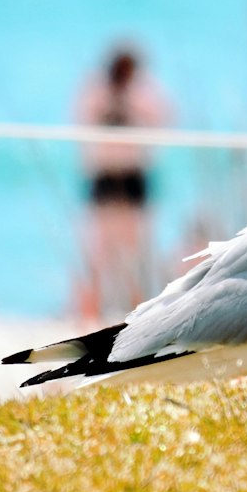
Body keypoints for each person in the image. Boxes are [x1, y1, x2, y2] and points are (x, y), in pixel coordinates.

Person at [74, 43, 174, 322]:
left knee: (138, 257)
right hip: (104, 183)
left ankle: (137, 316)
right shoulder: (95, 92)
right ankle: (87, 316)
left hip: (132, 183)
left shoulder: (145, 94)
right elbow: (83, 124)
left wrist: (131, 102)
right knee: (95, 257)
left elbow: (163, 122)